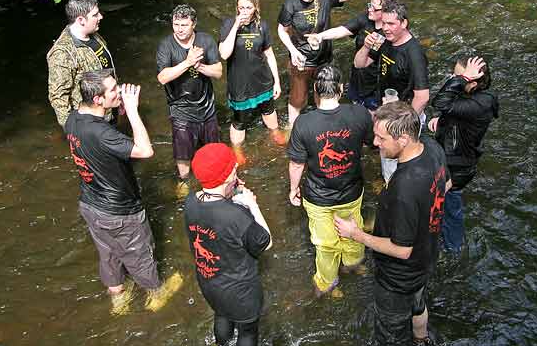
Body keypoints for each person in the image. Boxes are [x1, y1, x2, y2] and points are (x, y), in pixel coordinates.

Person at [334, 101, 450, 346]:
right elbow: (446, 185)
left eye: (381, 138)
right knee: (418, 304)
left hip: (397, 278)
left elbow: (401, 249)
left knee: (390, 334)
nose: (375, 143)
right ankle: (422, 339)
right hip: (427, 256)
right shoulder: (431, 148)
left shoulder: (404, 186)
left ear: (404, 139)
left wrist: (356, 234)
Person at [65, 69, 170, 315]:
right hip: (120, 211)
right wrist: (132, 111)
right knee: (141, 255)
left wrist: (119, 113)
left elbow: (104, 141)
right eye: (114, 89)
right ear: (98, 99)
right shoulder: (102, 134)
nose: (120, 91)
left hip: (91, 205)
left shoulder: (73, 119)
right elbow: (145, 151)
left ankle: (118, 300)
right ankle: (155, 296)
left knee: (109, 255)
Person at [287, 65, 373, 296]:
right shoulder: (359, 113)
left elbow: (296, 164)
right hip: (352, 191)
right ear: (341, 89)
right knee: (354, 229)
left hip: (318, 198)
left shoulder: (303, 123)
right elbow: (372, 142)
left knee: (325, 244)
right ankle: (354, 265)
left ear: (315, 90)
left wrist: (293, 189)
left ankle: (327, 282)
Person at [185, 143, 272, 346]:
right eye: (234, 169)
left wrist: (231, 191)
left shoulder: (190, 202)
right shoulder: (236, 215)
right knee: (248, 331)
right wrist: (252, 205)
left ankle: (221, 343)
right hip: (241, 292)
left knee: (222, 315)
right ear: (227, 176)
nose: (236, 171)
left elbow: (216, 214)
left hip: (210, 284)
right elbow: (266, 242)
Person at [428, 56, 499, 253]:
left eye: (459, 76)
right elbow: (449, 109)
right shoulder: (468, 95)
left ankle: (454, 248)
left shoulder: (482, 103)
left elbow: (441, 101)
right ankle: (443, 239)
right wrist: (441, 120)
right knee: (441, 203)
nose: (453, 78)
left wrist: (463, 78)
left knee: (449, 206)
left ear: (473, 81)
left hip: (458, 167)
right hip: (449, 157)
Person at [354, 0, 430, 182]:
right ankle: (391, 188)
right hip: (387, 111)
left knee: (399, 165)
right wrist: (366, 45)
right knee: (386, 157)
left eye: (391, 24)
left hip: (405, 117)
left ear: (404, 23)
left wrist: (400, 124)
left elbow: (422, 96)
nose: (386, 28)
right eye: (384, 23)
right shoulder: (385, 40)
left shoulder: (414, 53)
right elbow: (359, 64)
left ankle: (396, 194)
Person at [156, 4, 223, 196]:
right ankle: (184, 180)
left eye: (184, 25)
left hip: (206, 106)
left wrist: (199, 65)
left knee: (212, 149)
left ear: (194, 24)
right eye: (176, 24)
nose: (179, 29)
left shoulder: (205, 40)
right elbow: (162, 78)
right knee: (183, 152)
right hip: (180, 108)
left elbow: (218, 72)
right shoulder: (166, 45)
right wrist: (187, 62)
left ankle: (215, 180)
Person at [277, 0, 356, 126]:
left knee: (324, 96)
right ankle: (294, 130)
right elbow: (281, 30)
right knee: (298, 100)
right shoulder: (290, 5)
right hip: (301, 60)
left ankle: (323, 126)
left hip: (324, 59)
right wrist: (292, 51)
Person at [219, 0, 284, 164]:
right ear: (237, 8)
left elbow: (269, 54)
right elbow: (224, 54)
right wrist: (235, 26)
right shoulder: (228, 24)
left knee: (268, 108)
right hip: (239, 82)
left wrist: (276, 81)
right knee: (240, 119)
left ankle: (275, 132)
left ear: (255, 8)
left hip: (262, 79)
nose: (245, 11)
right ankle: (237, 149)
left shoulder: (262, 25)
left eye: (248, 7)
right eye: (241, 8)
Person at [307, 0, 394, 113]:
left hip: (375, 83)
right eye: (369, 5)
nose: (370, 10)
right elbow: (343, 30)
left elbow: (368, 60)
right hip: (358, 77)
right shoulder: (365, 18)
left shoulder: (388, 33)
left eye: (374, 9)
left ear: (386, 11)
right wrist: (320, 36)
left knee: (372, 116)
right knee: (356, 108)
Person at [47, 0, 117, 128]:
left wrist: (117, 98)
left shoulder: (94, 35)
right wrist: (74, 130)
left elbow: (106, 67)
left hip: (108, 111)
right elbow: (58, 96)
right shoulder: (62, 53)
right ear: (81, 20)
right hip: (90, 123)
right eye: (95, 15)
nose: (101, 17)